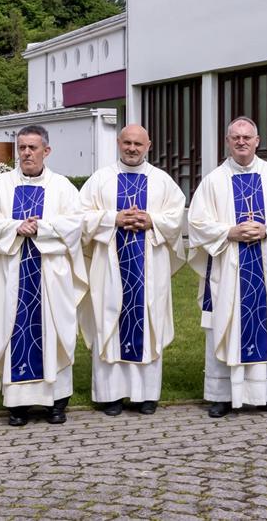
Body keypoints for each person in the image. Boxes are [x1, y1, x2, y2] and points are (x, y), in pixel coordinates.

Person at [187, 117, 267, 418]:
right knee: (226, 325)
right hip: (228, 269)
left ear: (257, 141)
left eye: (247, 137)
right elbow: (196, 222)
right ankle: (222, 396)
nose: (241, 142)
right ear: (227, 141)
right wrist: (229, 232)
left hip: (266, 269)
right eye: (235, 137)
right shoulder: (213, 181)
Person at [0, 125, 87, 426]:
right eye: (22, 147)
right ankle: (18, 405)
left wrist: (41, 228)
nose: (26, 153)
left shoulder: (62, 187)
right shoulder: (0, 186)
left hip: (50, 276)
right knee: (13, 328)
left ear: (46, 151)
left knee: (54, 330)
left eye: (32, 148)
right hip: (12, 274)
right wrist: (15, 227)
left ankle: (57, 402)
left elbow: (75, 224)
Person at [79, 125, 186, 416]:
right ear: (118, 142)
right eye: (127, 142)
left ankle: (146, 395)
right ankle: (111, 395)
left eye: (138, 144)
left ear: (148, 145)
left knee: (148, 320)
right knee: (109, 320)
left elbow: (176, 217)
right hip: (109, 268)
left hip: (149, 268)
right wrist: (113, 219)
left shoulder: (162, 181)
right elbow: (80, 216)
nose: (132, 148)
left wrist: (152, 221)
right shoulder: (100, 179)